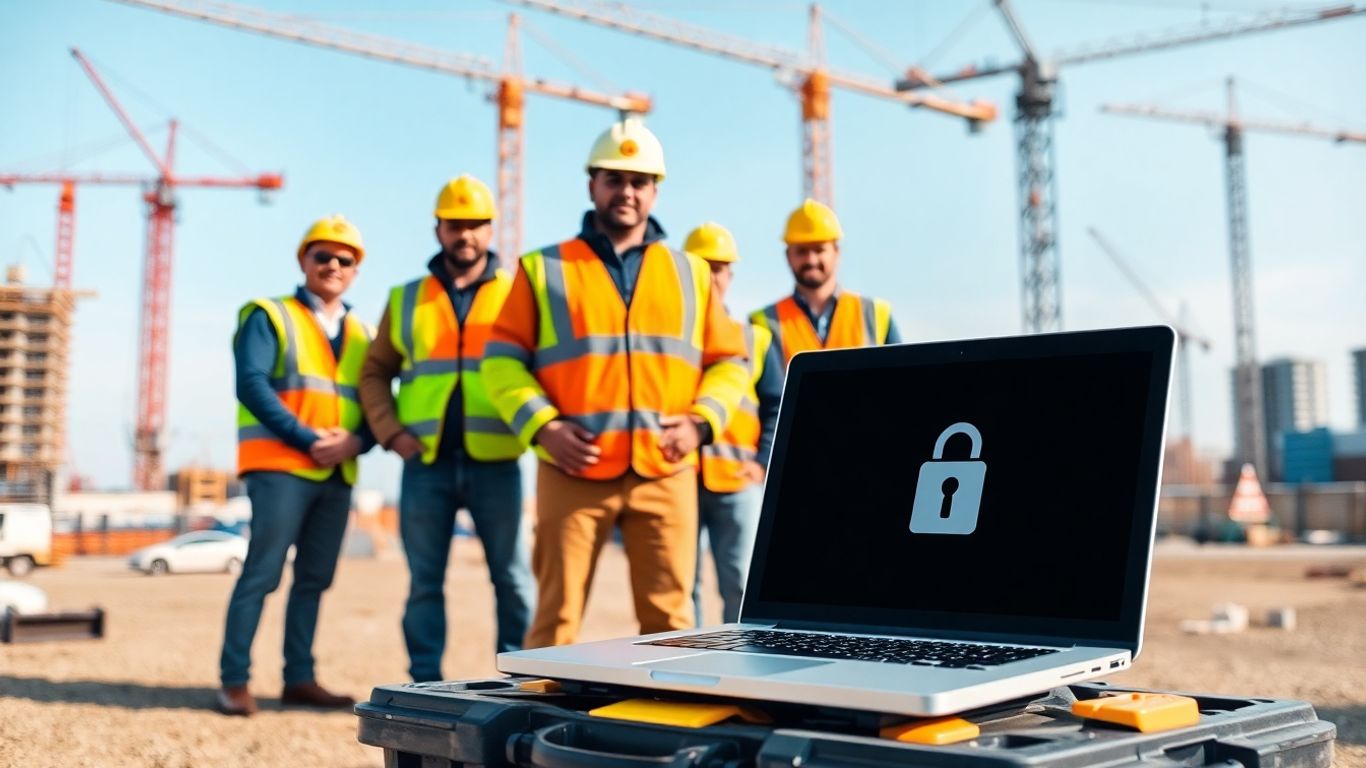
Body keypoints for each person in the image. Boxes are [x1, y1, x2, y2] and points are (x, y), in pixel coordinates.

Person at [482, 118, 748, 648]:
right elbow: (501, 361)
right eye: (614, 179)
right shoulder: (543, 268)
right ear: (592, 186)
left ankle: (667, 724)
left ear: (654, 191)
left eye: (639, 181)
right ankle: (542, 722)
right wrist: (543, 426)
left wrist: (700, 424)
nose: (626, 191)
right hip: (571, 467)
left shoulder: (691, 272)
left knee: (672, 624)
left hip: (665, 468)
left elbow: (729, 361)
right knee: (555, 620)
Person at [358, 175, 534, 682]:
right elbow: (375, 371)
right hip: (426, 464)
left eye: (476, 224)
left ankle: (520, 682)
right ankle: (426, 683)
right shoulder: (406, 298)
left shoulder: (516, 292)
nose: (466, 235)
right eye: (456, 225)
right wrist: (392, 433)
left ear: (491, 229)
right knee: (424, 584)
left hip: (498, 461)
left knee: (515, 581)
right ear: (438, 229)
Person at [220, 214, 375, 715]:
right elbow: (252, 384)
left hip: (337, 473)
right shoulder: (269, 315)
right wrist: (308, 439)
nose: (332, 264)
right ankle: (234, 681)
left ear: (355, 270)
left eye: (344, 259)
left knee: (314, 579)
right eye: (322, 255)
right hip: (280, 467)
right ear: (303, 260)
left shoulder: (363, 332)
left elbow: (379, 401)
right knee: (262, 574)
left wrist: (357, 442)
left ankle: (299, 678)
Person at [750, 198, 901, 467]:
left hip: (868, 453)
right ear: (788, 256)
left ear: (836, 252)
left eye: (819, 249)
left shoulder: (875, 314)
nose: (811, 259)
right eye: (802, 251)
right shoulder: (763, 322)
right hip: (795, 460)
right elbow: (762, 404)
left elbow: (902, 390)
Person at [683, 222, 779, 625]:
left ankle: (742, 669)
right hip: (679, 477)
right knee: (680, 588)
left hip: (737, 480)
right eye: (701, 266)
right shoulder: (671, 337)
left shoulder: (754, 338)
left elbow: (777, 403)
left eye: (718, 268)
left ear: (731, 276)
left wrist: (762, 462)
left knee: (740, 584)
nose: (710, 276)